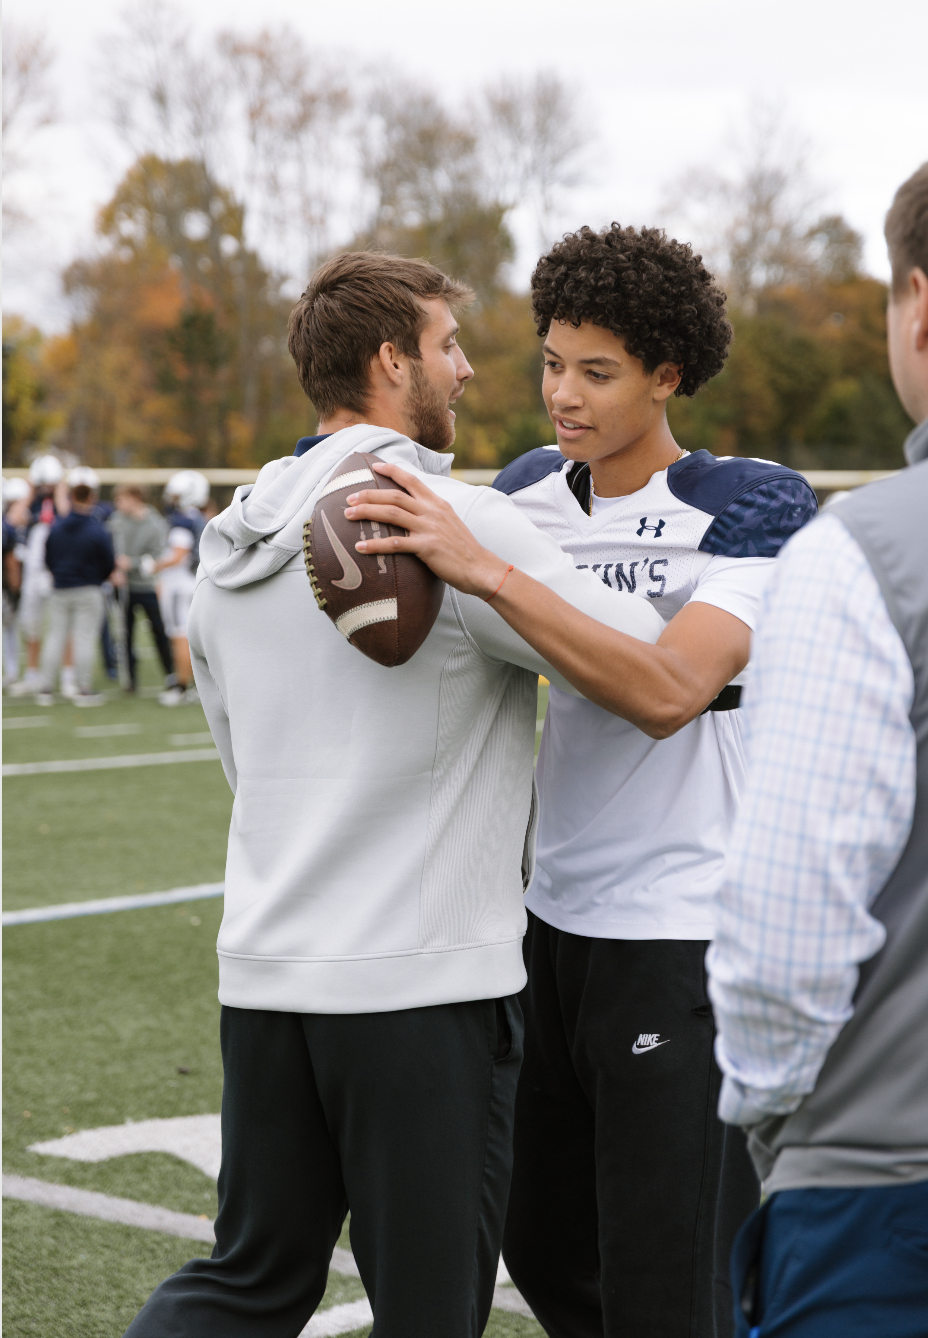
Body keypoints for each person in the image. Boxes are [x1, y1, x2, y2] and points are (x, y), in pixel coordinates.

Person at [125, 250, 678, 1338]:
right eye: (448, 345)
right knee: (430, 1310)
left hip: (268, 977)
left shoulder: (234, 536)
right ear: (391, 360)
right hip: (421, 997)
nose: (469, 371)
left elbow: (243, 763)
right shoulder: (444, 520)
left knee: (247, 1281)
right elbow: (646, 671)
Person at [350, 223, 818, 1337]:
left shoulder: (754, 503)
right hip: (544, 929)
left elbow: (668, 691)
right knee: (549, 1250)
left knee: (669, 1284)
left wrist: (491, 569)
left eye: (597, 371)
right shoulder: (525, 488)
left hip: (680, 933)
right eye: (552, 361)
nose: (564, 393)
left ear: (666, 376)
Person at [705, 133, 928, 1336]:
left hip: (910, 1203)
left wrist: (789, 1122)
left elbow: (783, 936)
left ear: (919, 303)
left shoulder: (863, 554)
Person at [36, 467, 115, 707]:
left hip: (61, 587)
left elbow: (47, 556)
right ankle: (83, 687)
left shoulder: (57, 527)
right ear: (91, 498)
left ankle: (46, 688)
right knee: (84, 638)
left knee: (55, 637)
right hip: (88, 588)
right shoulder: (96, 529)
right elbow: (108, 561)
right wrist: (98, 577)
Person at [107, 486, 182, 699]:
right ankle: (130, 679)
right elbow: (109, 548)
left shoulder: (156, 523)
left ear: (135, 498)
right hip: (123, 587)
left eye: (122, 499)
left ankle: (171, 674)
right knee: (125, 634)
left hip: (148, 586)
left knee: (159, 631)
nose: (118, 504)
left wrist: (132, 563)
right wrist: (112, 569)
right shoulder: (116, 521)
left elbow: (159, 555)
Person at [8, 453, 64, 696]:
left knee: (61, 626)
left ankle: (65, 675)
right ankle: (32, 674)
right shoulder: (30, 502)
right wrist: (30, 490)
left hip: (58, 571)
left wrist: (60, 491)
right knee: (32, 624)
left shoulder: (63, 502)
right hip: (33, 572)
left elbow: (67, 515)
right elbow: (12, 519)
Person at [155, 469, 209, 704]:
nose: (171, 501)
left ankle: (180, 687)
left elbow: (178, 554)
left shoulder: (182, 521)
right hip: (194, 581)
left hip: (180, 584)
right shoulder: (199, 518)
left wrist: (152, 566)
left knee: (180, 635)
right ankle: (198, 686)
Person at [3, 478, 31, 686]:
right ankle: (14, 672)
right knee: (12, 629)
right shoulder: (7, 527)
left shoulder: (32, 522)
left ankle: (21, 672)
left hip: (25, 583)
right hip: (12, 585)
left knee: (20, 629)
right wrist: (15, 588)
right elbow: (11, 562)